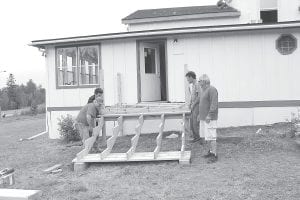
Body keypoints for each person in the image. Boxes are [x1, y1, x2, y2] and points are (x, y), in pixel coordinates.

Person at [198, 74, 219, 163]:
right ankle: (210, 151)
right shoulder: (204, 90)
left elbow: (214, 104)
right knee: (208, 136)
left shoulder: (212, 89)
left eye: (200, 81)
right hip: (204, 118)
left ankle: (214, 154)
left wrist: (209, 115)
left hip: (209, 118)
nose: (199, 83)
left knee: (212, 136)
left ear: (204, 81)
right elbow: (203, 104)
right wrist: (200, 115)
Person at [185, 71, 201, 143]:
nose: (187, 80)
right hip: (193, 105)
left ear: (191, 77)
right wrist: (190, 103)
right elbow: (193, 96)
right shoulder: (193, 85)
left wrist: (193, 104)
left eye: (188, 79)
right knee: (192, 123)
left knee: (195, 123)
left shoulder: (197, 84)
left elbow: (199, 97)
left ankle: (198, 138)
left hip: (197, 106)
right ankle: (195, 137)